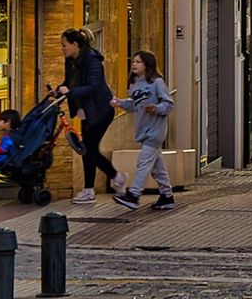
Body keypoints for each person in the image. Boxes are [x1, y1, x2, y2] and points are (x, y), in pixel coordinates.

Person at [59, 28, 122, 203]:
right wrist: (59, 90)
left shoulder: (92, 60)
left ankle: (90, 189)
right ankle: (114, 178)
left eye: (64, 45)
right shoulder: (70, 61)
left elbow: (93, 86)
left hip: (101, 110)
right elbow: (68, 83)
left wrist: (70, 91)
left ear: (75, 44)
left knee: (88, 149)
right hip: (87, 112)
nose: (62, 49)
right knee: (90, 149)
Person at [110, 50, 175, 210]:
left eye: (138, 62)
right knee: (157, 167)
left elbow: (169, 104)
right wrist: (120, 103)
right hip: (143, 130)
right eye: (133, 61)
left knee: (143, 163)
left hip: (155, 130)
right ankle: (167, 196)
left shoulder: (157, 83)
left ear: (147, 64)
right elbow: (134, 105)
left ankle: (133, 195)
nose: (134, 64)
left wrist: (157, 108)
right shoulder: (134, 84)